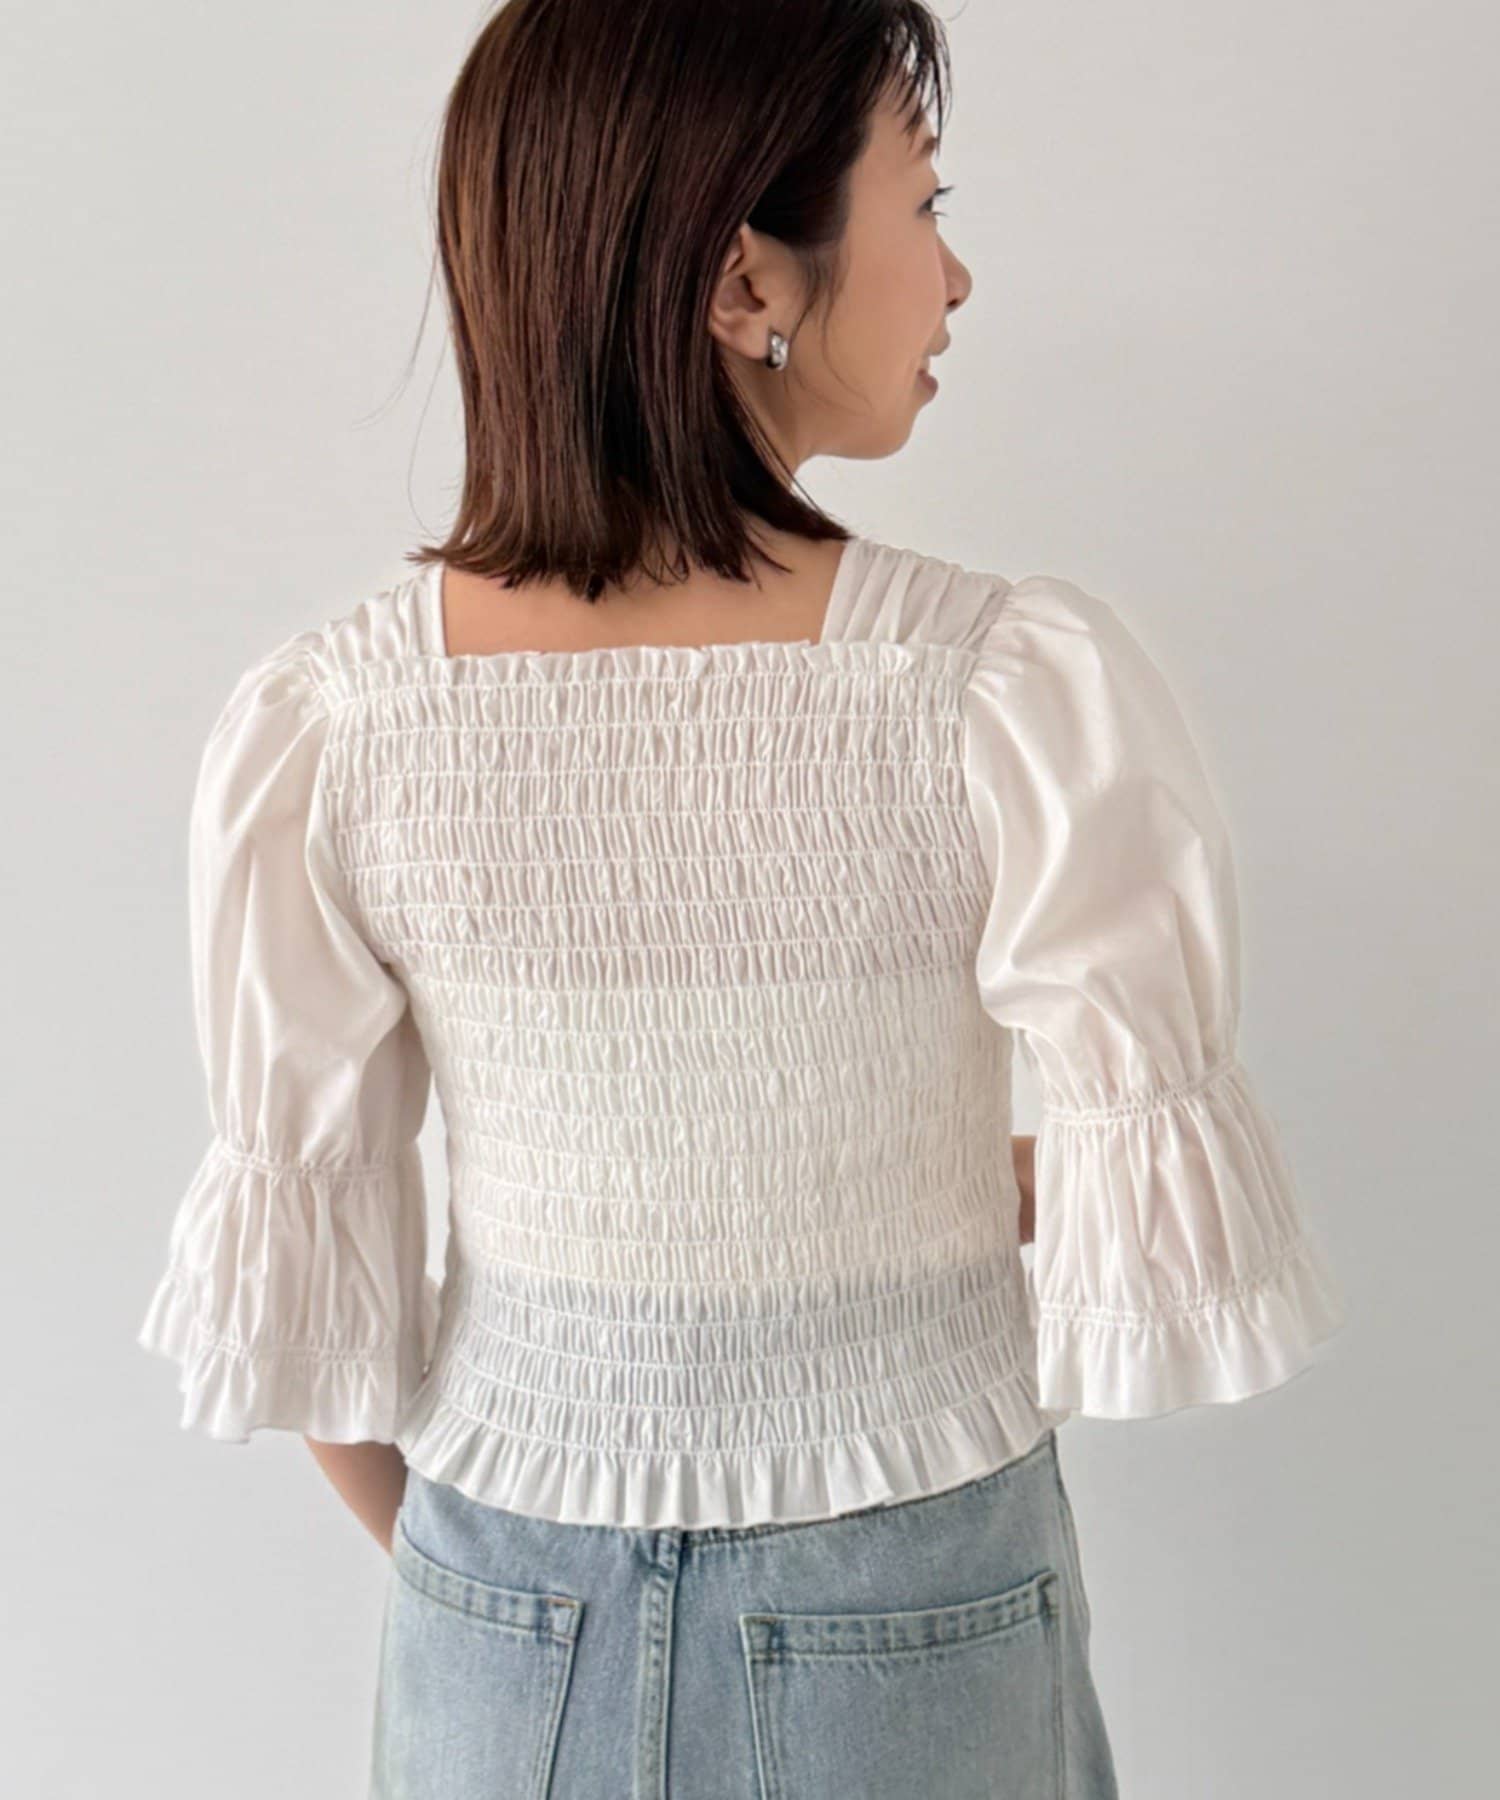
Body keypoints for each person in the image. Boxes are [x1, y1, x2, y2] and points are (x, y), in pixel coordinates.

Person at [136, 3, 1347, 1795]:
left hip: (497, 1610)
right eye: (925, 204)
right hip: (907, 1593)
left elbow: (312, 1294)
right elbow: (1142, 1202)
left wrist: (506, 1586)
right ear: (743, 284)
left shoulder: (337, 722)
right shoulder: (993, 688)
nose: (955, 277)